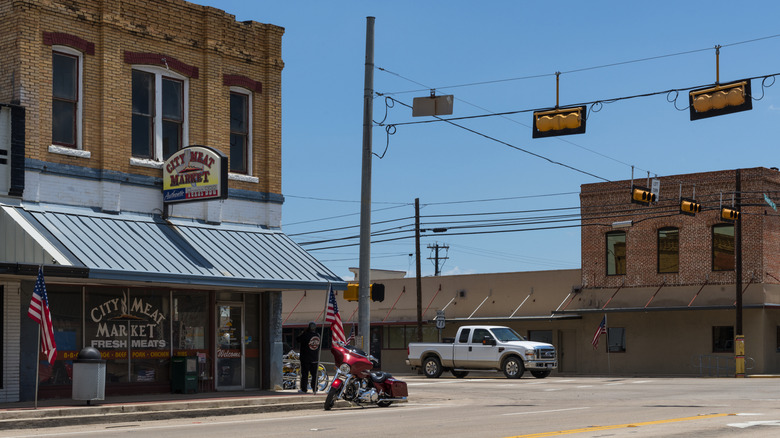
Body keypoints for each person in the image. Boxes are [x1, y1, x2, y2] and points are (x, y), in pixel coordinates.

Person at [296, 321, 321, 393]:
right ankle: (315, 388)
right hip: (315, 358)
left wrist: (301, 333)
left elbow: (298, 339)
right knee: (314, 375)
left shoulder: (305, 334)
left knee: (305, 374)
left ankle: (304, 389)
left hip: (305, 358)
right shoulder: (318, 335)